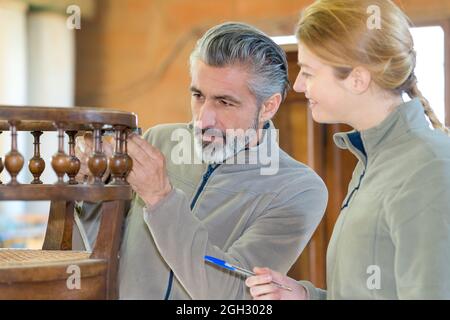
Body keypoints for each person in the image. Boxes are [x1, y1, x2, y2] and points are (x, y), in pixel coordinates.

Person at [73, 22, 328, 300]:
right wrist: (90, 188)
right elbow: (102, 246)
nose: (203, 120)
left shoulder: (299, 190)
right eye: (198, 96)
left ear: (268, 106)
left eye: (225, 102)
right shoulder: (158, 140)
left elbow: (232, 296)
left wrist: (161, 199)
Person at [246, 0, 450, 300]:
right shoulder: (374, 160)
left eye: (309, 72)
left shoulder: (429, 169)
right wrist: (306, 297)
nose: (300, 85)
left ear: (357, 79)